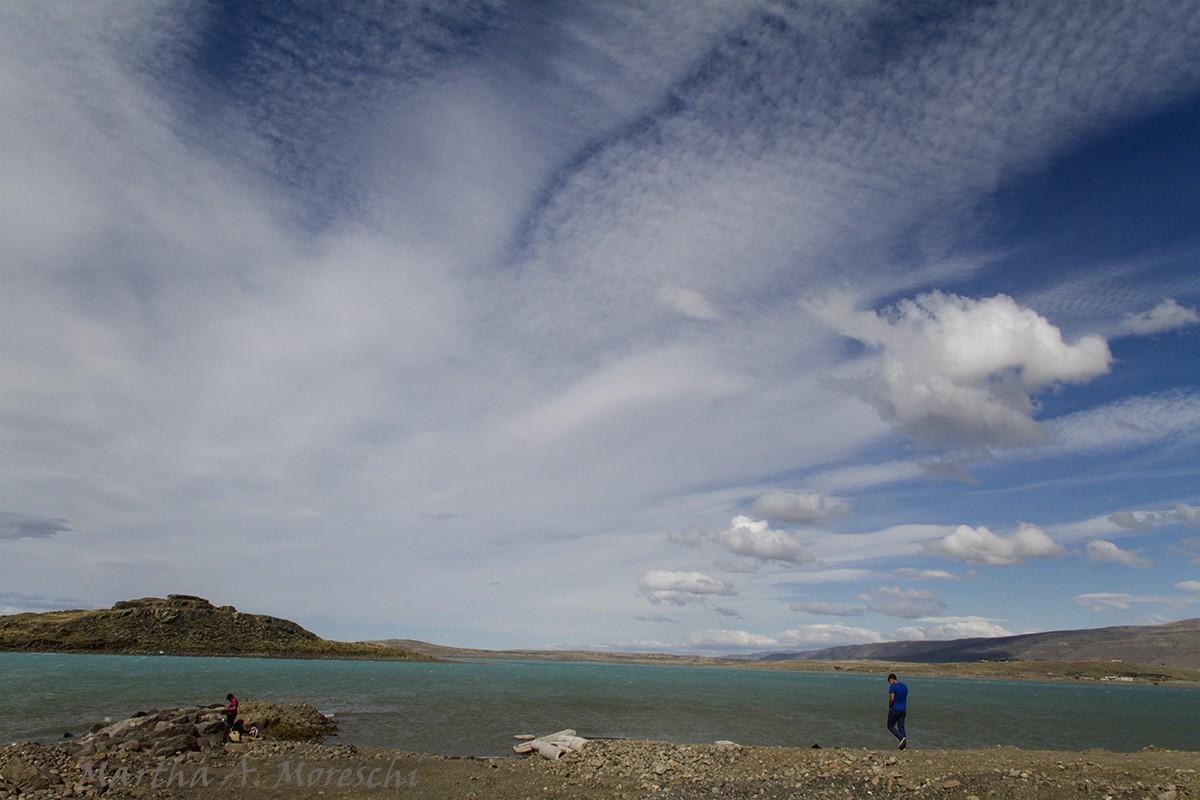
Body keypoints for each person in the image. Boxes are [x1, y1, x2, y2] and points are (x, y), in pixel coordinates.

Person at [886, 673, 908, 750]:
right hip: (903, 709)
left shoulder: (893, 686)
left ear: (891, 680)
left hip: (895, 709)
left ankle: (901, 737)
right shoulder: (904, 686)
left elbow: (892, 698)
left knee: (890, 725)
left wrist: (890, 707)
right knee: (901, 727)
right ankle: (904, 747)